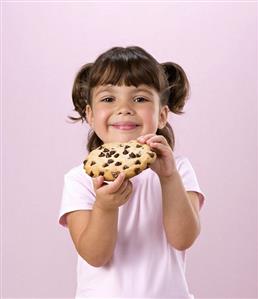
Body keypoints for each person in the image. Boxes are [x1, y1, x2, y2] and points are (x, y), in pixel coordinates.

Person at [59, 46, 205, 298]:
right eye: (108, 99)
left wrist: (168, 179)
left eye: (139, 98)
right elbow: (95, 255)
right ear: (91, 115)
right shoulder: (80, 179)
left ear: (161, 116)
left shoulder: (178, 168)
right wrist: (105, 207)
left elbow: (183, 239)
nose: (124, 108)